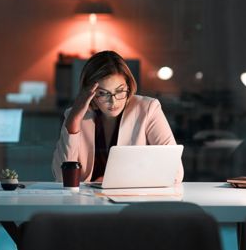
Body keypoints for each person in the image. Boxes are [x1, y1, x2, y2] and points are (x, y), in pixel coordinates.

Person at [52, 50, 184, 183]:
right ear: (88, 93)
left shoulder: (148, 109)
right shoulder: (75, 115)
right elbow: (62, 178)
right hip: (86, 201)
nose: (113, 102)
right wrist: (74, 119)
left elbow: (175, 172)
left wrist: (114, 180)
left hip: (132, 198)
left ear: (129, 85)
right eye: (103, 93)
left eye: (120, 91)